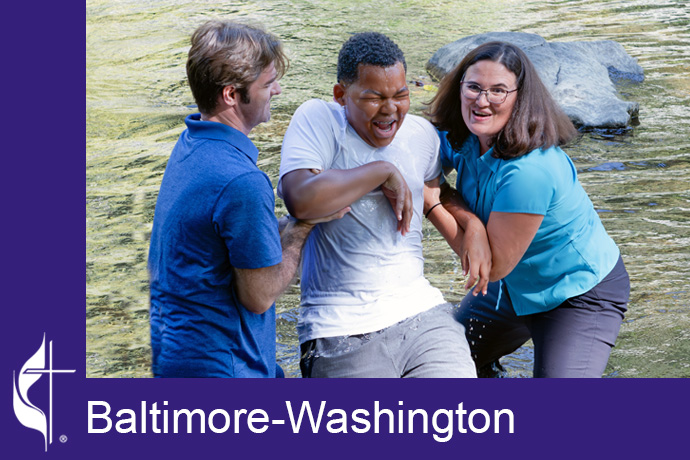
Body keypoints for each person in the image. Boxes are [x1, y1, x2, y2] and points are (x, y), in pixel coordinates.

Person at [148, 20, 347, 378]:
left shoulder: (191, 145)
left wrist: (289, 222)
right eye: (268, 84)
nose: (278, 90)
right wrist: (303, 225)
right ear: (231, 94)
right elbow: (259, 295)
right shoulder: (242, 181)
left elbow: (221, 244)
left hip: (175, 360)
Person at [278, 32, 482, 378]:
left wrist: (471, 224)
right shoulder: (320, 120)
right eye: (374, 98)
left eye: (400, 95)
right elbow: (300, 198)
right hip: (338, 328)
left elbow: (435, 190)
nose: (391, 110)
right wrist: (380, 171)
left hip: (423, 315)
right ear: (341, 95)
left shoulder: (419, 134)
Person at [426, 41, 631, 378]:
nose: (481, 101)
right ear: (458, 87)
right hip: (513, 287)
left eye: (498, 91)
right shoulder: (461, 137)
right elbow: (417, 163)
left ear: (520, 97)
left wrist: (432, 202)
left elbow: (491, 269)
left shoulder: (531, 171)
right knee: (444, 364)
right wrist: (471, 224)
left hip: (576, 294)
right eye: (474, 87)